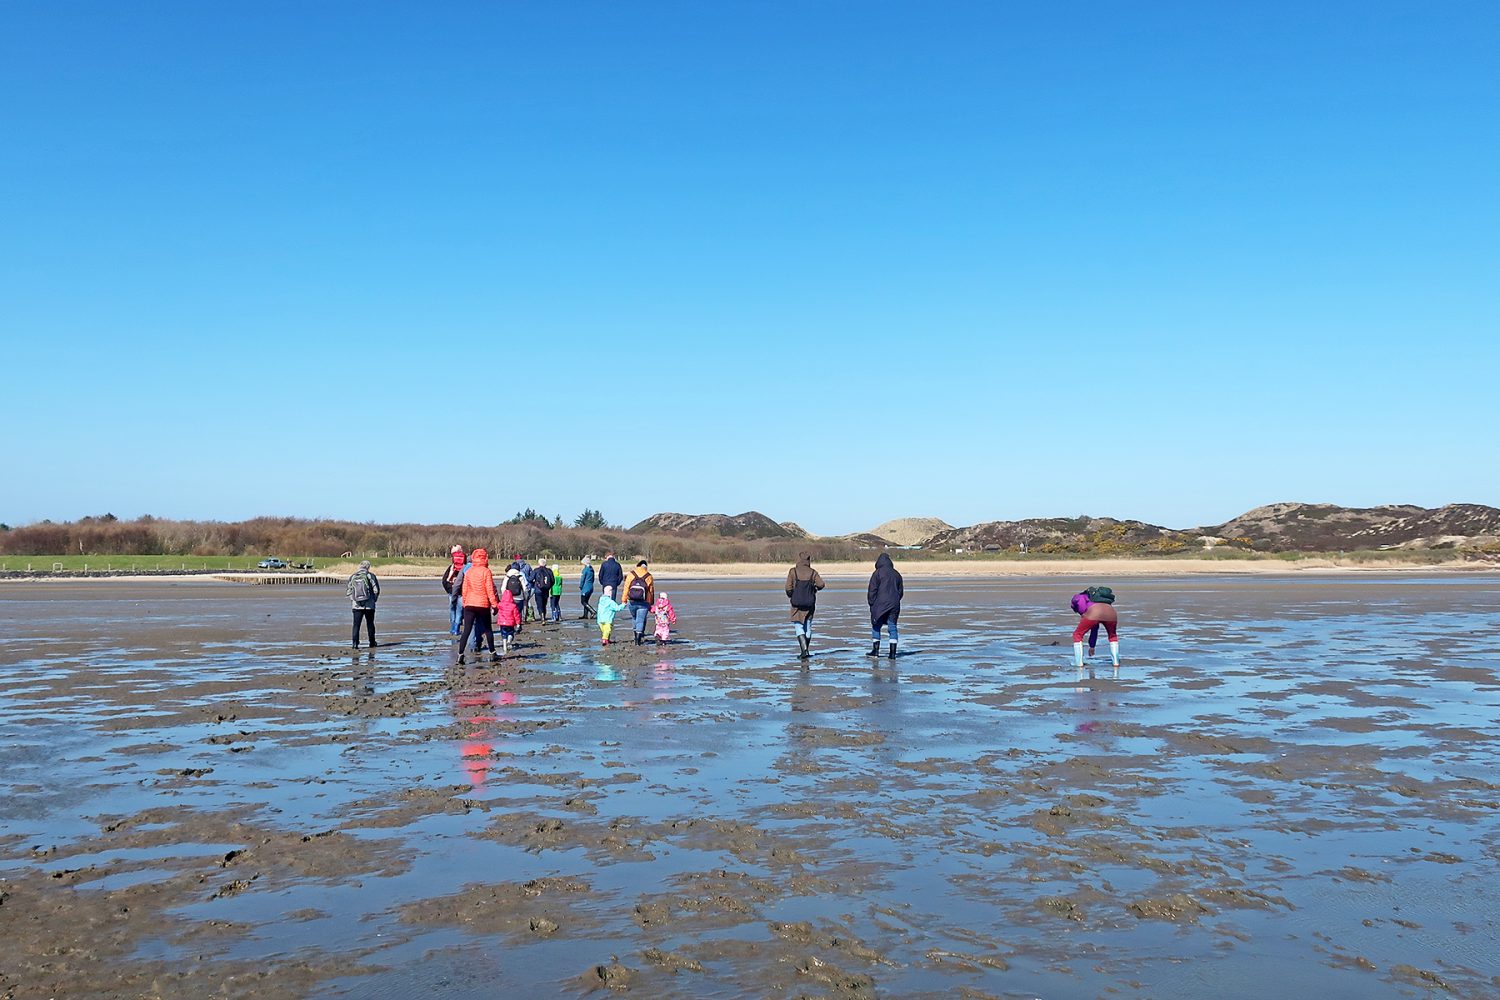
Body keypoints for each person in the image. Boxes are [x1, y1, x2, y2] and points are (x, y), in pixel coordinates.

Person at [457, 548, 502, 663]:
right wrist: (495, 605)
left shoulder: (469, 571)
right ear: (485, 558)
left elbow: (465, 590)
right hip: (483, 604)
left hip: (470, 604)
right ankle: (492, 653)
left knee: (467, 629)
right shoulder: (486, 571)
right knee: (488, 630)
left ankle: (460, 655)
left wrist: (465, 603)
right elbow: (490, 590)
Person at [784, 551, 825, 659]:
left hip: (797, 604)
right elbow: (821, 584)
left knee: (798, 625)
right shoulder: (813, 572)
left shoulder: (793, 571)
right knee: (808, 625)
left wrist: (792, 595)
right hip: (810, 603)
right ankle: (806, 650)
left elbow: (788, 588)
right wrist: (814, 589)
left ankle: (804, 651)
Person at [866, 552, 903, 659]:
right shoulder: (896, 574)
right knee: (892, 627)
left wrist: (871, 603)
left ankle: (875, 651)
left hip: (880, 604)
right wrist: (895, 600)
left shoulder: (877, 573)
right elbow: (900, 591)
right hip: (894, 604)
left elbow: (872, 590)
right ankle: (892, 654)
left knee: (876, 626)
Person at [1072, 587, 1120, 667]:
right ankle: (1116, 663)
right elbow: (1094, 628)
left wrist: (1084, 615)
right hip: (1111, 612)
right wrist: (1092, 646)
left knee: (1077, 634)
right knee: (1112, 636)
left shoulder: (1078, 597)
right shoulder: (1099, 599)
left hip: (1094, 613)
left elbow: (1080, 607)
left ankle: (1079, 664)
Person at [347, 560, 381, 649]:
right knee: (370, 624)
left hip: (356, 605)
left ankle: (355, 644)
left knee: (356, 625)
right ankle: (372, 642)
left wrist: (354, 600)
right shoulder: (371, 576)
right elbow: (376, 590)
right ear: (368, 567)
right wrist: (374, 600)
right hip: (370, 605)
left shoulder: (353, 576)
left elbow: (349, 591)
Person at [623, 560, 655, 645]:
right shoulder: (649, 576)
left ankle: (635, 637)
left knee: (634, 618)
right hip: (643, 602)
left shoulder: (631, 574)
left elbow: (626, 588)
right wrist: (650, 602)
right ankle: (638, 640)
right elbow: (650, 591)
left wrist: (624, 600)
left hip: (632, 601)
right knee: (640, 620)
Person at [442, 545, 467, 637]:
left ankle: (453, 629)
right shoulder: (465, 569)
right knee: (459, 612)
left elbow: (444, 580)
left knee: (452, 610)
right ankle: (456, 630)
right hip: (461, 593)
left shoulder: (451, 568)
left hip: (451, 592)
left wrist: (448, 590)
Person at [495, 580, 521, 654]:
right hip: (510, 623)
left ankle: (504, 646)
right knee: (510, 633)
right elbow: (516, 615)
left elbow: (496, 607)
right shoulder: (513, 606)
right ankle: (509, 640)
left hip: (502, 623)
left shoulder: (500, 605)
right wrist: (518, 623)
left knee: (503, 634)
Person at [503, 564, 528, 632]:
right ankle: (518, 625)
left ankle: (512, 626)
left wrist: (504, 597)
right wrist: (526, 597)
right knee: (518, 612)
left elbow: (503, 588)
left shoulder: (507, 576)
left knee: (510, 612)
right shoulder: (520, 576)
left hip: (509, 598)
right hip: (519, 598)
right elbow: (525, 588)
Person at [532, 558, 554, 623]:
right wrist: (548, 587)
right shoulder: (549, 571)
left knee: (539, 604)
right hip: (546, 590)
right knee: (544, 604)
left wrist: (534, 583)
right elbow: (553, 581)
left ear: (539, 564)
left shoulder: (536, 570)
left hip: (538, 590)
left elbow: (530, 579)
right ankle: (543, 616)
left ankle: (542, 617)